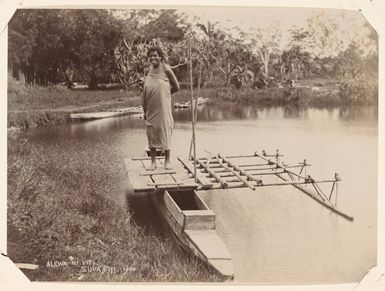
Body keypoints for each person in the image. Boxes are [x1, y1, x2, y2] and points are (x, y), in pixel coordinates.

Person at [142, 46, 180, 170]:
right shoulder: (148, 71)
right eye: (151, 56)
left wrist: (165, 94)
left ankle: (167, 161)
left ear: (160, 57)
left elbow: (176, 87)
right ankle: (153, 162)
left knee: (165, 129)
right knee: (151, 131)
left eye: (155, 55)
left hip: (163, 107)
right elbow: (145, 88)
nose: (153, 58)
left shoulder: (166, 69)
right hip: (150, 106)